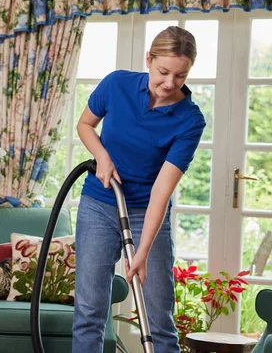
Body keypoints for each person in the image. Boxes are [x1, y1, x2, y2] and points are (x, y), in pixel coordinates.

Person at [71, 26, 206, 353]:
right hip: (99, 205)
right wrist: (101, 156)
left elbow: (162, 189)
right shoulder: (116, 84)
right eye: (163, 71)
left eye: (181, 75)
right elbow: (85, 124)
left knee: (158, 314)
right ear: (149, 59)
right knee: (89, 310)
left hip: (149, 212)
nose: (170, 83)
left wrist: (143, 250)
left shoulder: (190, 120)